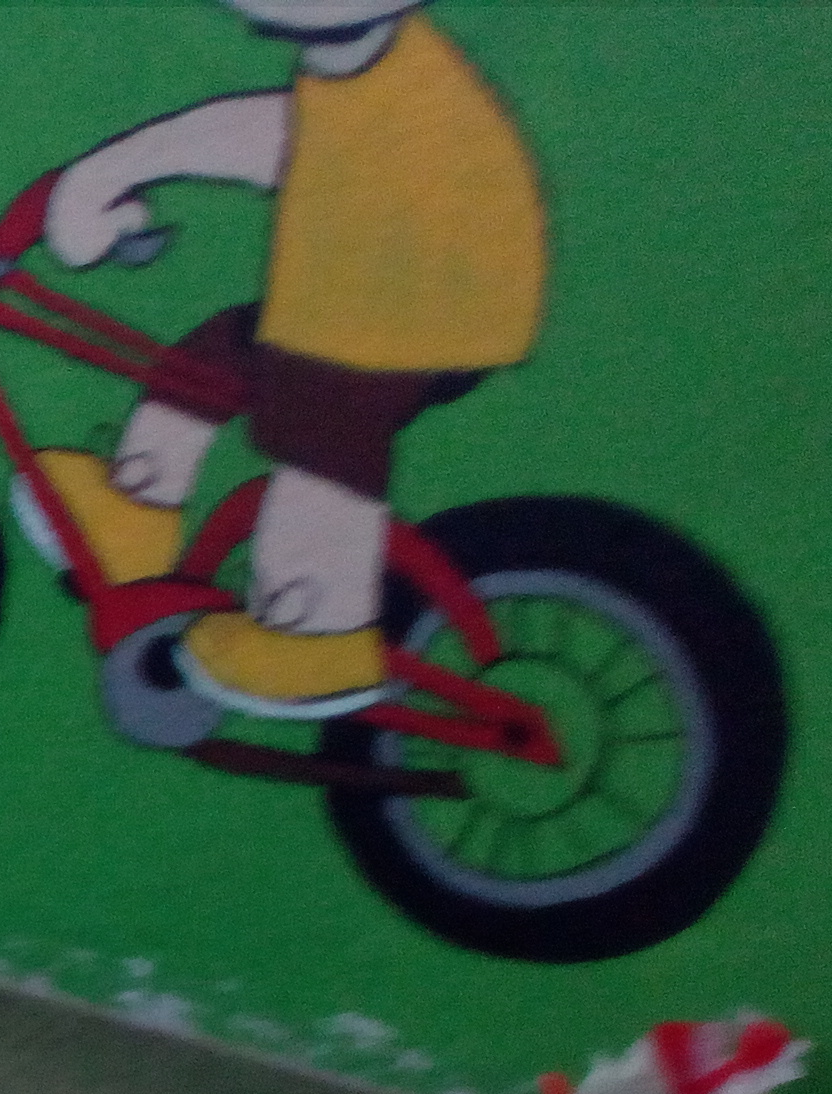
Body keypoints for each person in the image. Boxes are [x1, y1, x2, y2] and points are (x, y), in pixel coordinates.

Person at [30, 0, 543, 718]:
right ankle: (134, 511)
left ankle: (319, 631)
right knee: (223, 352)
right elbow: (287, 133)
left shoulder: (406, 82)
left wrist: (111, 173)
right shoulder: (357, 70)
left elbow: (294, 140)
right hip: (362, 299)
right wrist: (117, 169)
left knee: (320, 417)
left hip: (421, 312)